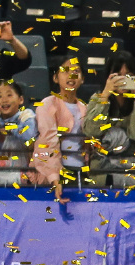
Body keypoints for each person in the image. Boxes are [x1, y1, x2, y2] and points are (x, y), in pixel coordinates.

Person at [84, 51, 135, 189]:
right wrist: (105, 96)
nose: (123, 80)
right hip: (102, 172)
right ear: (108, 77)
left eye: (128, 75)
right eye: (118, 75)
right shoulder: (98, 98)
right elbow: (91, 131)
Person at [31, 55, 88, 201]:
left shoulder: (85, 108)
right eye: (65, 71)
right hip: (57, 173)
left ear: (82, 79)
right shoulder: (47, 105)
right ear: (55, 78)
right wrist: (55, 178)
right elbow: (47, 142)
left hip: (81, 171)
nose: (71, 75)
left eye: (76, 71)